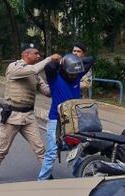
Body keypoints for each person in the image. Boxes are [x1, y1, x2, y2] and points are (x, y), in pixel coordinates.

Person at [0, 44, 61, 184]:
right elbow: (32, 69)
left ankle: (47, 175)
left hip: (29, 117)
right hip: (12, 116)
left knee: (40, 148)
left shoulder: (35, 75)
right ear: (26, 55)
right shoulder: (14, 67)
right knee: (3, 149)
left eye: (39, 54)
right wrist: (49, 59)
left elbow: (48, 92)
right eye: (36, 53)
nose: (38, 56)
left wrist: (58, 80)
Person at [37, 53, 94, 181]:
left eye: (75, 73)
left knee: (76, 149)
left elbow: (90, 59)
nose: (74, 76)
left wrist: (74, 60)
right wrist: (62, 60)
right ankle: (41, 181)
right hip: (55, 119)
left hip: (73, 120)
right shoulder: (54, 77)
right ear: (64, 69)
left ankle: (80, 175)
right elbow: (50, 66)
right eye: (71, 73)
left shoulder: (77, 74)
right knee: (52, 151)